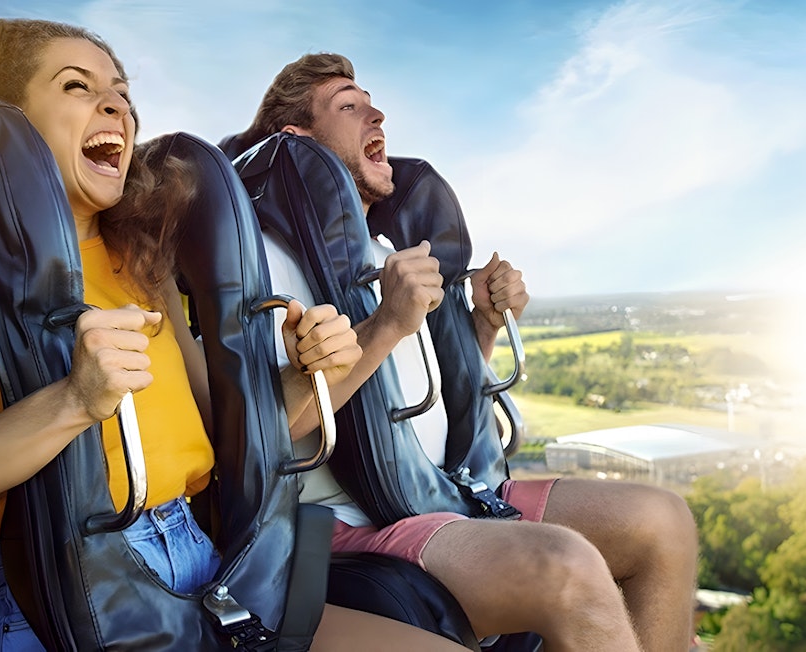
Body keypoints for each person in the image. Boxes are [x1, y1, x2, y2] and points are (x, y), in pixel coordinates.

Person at [0, 21, 473, 652]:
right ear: (1, 122)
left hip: (207, 569)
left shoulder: (144, 265)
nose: (116, 107)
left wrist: (309, 374)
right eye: (77, 86)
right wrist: (72, 402)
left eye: (122, 93)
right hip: (61, 598)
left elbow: (235, 437)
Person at [233, 52, 699, 652]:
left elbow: (429, 402)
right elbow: (265, 437)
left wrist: (482, 325)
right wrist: (387, 324)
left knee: (663, 521)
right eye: (348, 106)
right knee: (565, 565)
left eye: (371, 102)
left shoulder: (385, 248)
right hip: (347, 523)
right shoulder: (264, 263)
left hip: (447, 488)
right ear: (296, 138)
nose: (377, 113)